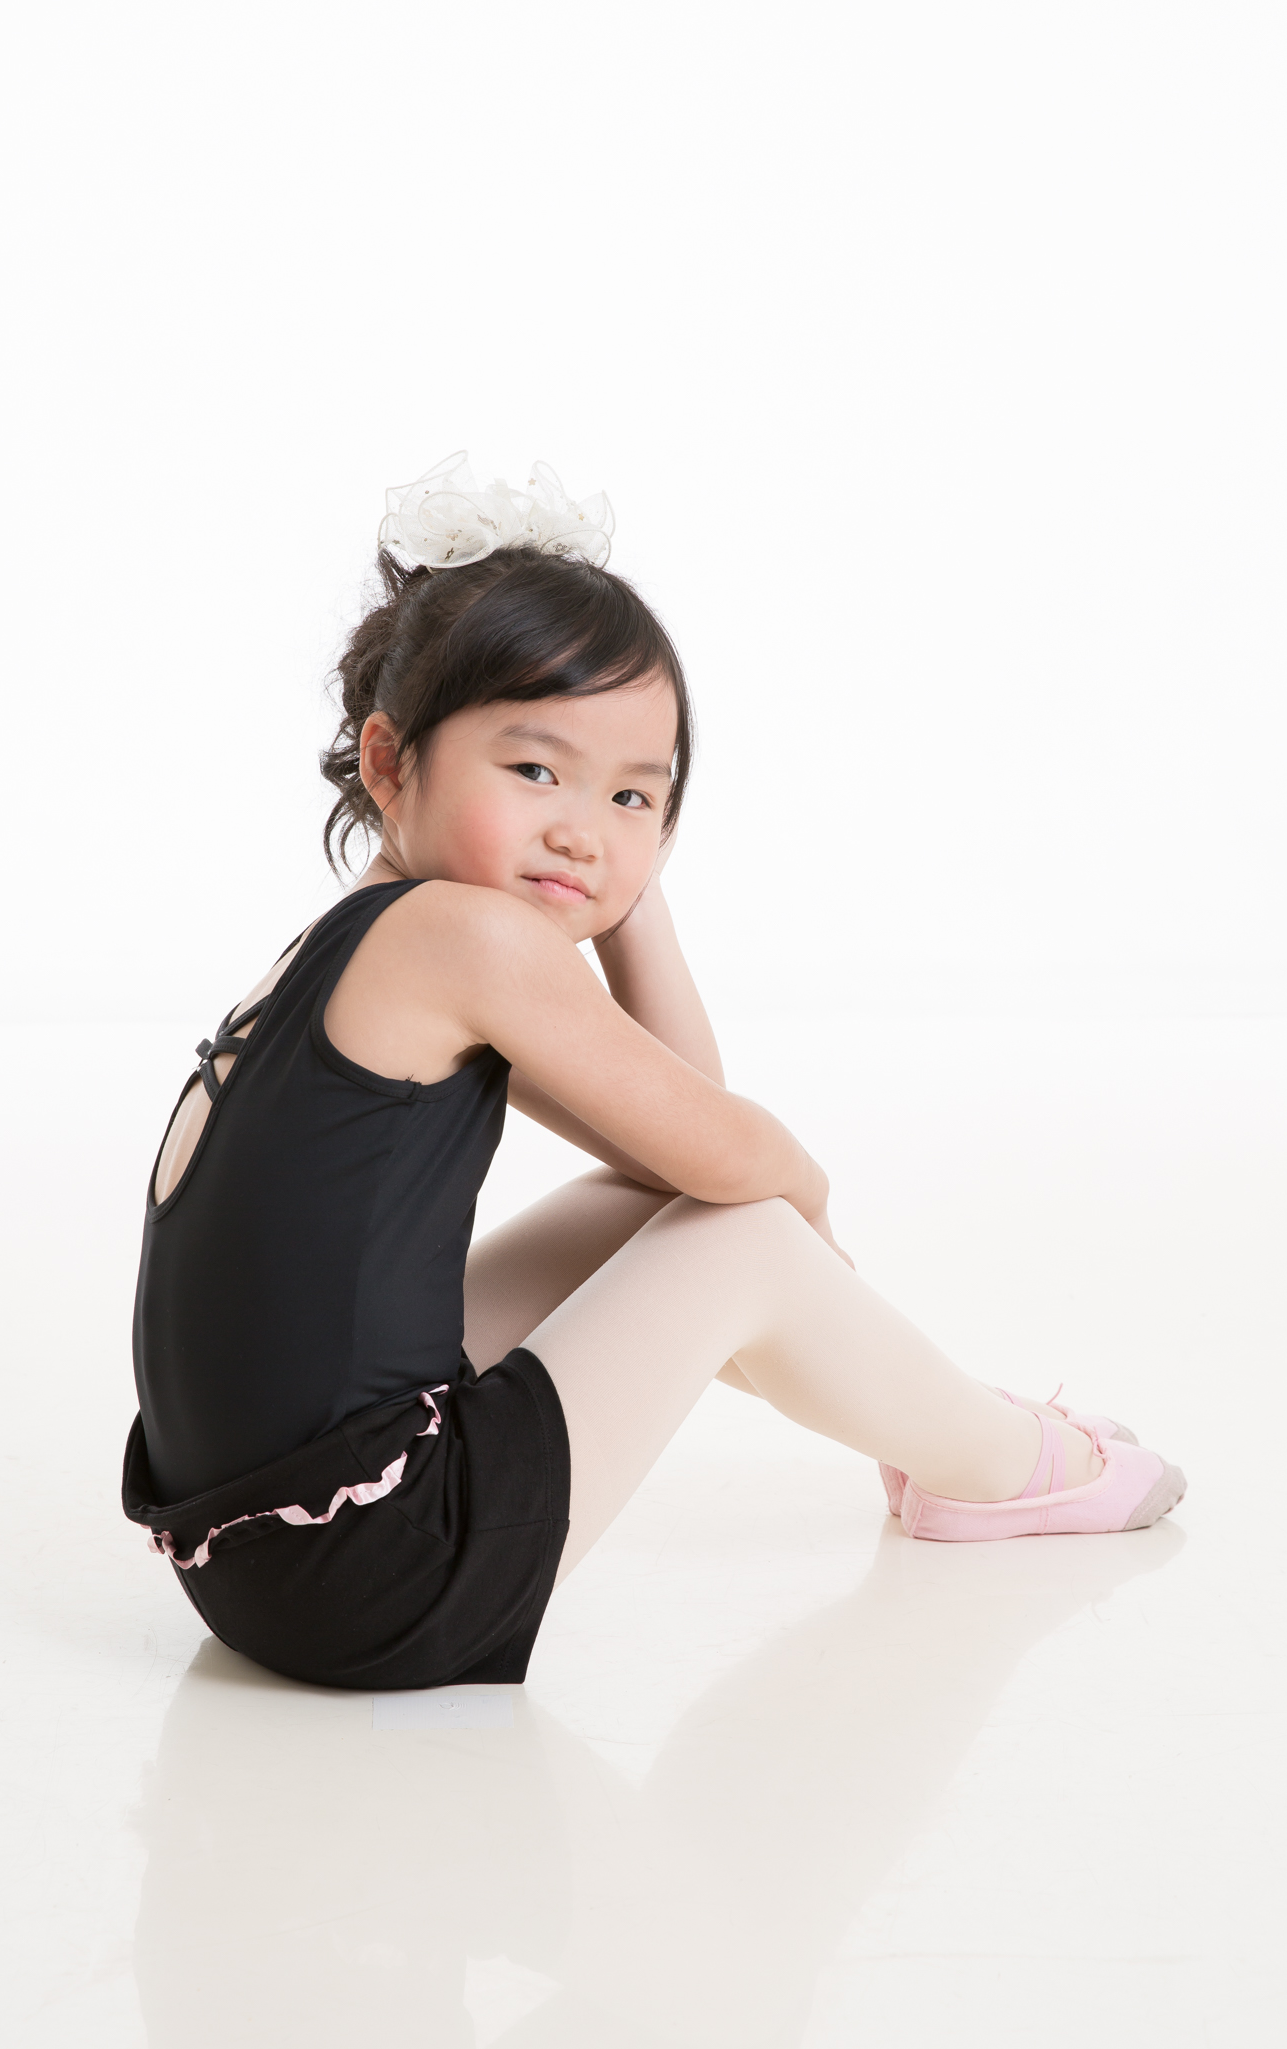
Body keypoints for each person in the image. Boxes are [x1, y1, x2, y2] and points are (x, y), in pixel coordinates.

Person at [122, 453, 1186, 1691]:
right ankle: (997, 1464)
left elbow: (667, 1143)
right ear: (390, 762)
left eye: (635, 796)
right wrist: (807, 1217)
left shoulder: (364, 940)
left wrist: (628, 901)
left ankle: (924, 1418)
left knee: (653, 1206)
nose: (582, 829)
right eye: (535, 771)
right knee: (750, 1233)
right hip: (377, 1570)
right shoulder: (468, 939)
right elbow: (733, 1158)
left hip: (254, 1561)